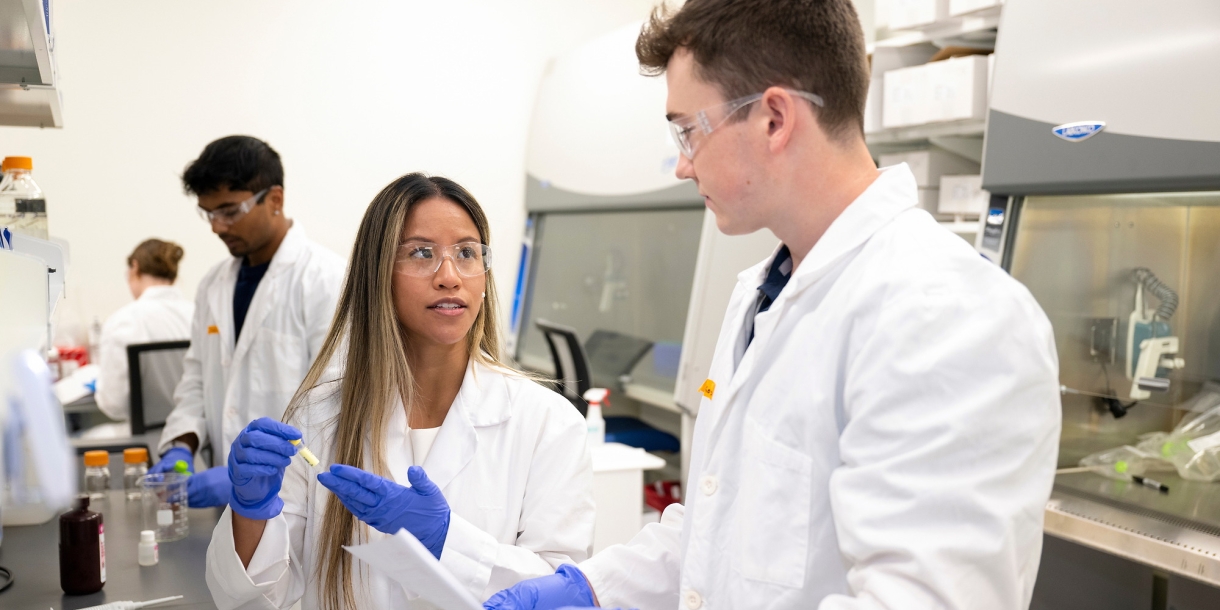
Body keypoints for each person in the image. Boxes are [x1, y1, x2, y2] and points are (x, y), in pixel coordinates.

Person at [485, 1, 1061, 609]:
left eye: (688, 130)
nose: (682, 164)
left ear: (774, 118)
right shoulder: (763, 295)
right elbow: (719, 526)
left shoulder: (947, 315)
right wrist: (592, 589)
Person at [203, 173, 594, 610]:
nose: (449, 276)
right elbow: (254, 599)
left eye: (466, 253)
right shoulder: (318, 417)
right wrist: (249, 512)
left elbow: (565, 594)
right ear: (378, 274)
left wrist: (447, 540)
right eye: (422, 253)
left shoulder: (548, 423)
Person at [150, 136, 346, 510]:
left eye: (229, 211)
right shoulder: (213, 284)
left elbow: (335, 406)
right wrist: (182, 445)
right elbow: (196, 377)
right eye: (208, 214)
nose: (217, 227)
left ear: (274, 199)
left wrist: (256, 472)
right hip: (235, 511)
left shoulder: (326, 280)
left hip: (301, 503)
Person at [93, 239, 194, 421]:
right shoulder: (198, 315)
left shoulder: (124, 320)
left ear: (135, 267)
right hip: (199, 435)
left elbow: (113, 404)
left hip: (145, 439)